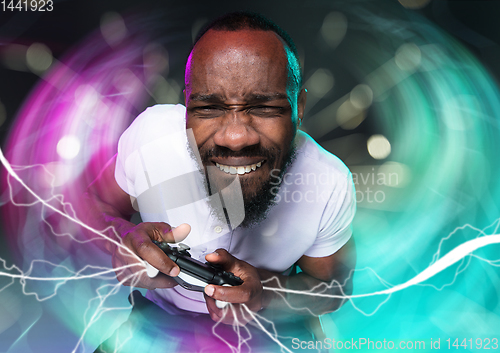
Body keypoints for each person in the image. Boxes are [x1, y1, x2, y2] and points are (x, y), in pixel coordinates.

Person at [85, 11, 356, 352]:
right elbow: (93, 204)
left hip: (268, 334)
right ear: (186, 106)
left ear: (299, 106)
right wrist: (121, 239)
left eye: (264, 107)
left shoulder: (327, 180)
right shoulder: (150, 135)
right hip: (157, 324)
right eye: (209, 108)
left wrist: (265, 292)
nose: (235, 137)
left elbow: (333, 289)